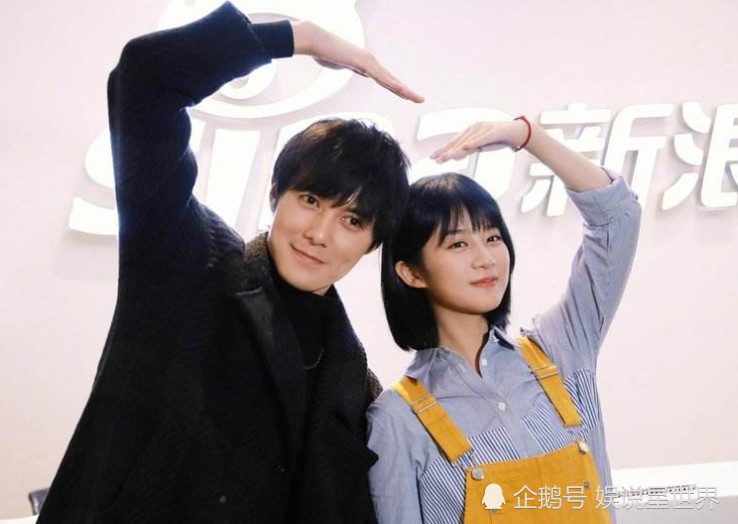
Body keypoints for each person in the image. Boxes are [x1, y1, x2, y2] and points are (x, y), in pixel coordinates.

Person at [38, 2, 422, 523]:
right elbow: (145, 79)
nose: (319, 234)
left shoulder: (351, 377)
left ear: (373, 242)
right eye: (311, 200)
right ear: (276, 194)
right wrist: (299, 37)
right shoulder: (190, 257)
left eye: (352, 221)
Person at [368, 117, 641, 523]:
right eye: (458, 244)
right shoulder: (397, 420)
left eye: (492, 237)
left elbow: (618, 216)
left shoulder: (561, 350)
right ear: (411, 272)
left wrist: (527, 135)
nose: (486, 258)